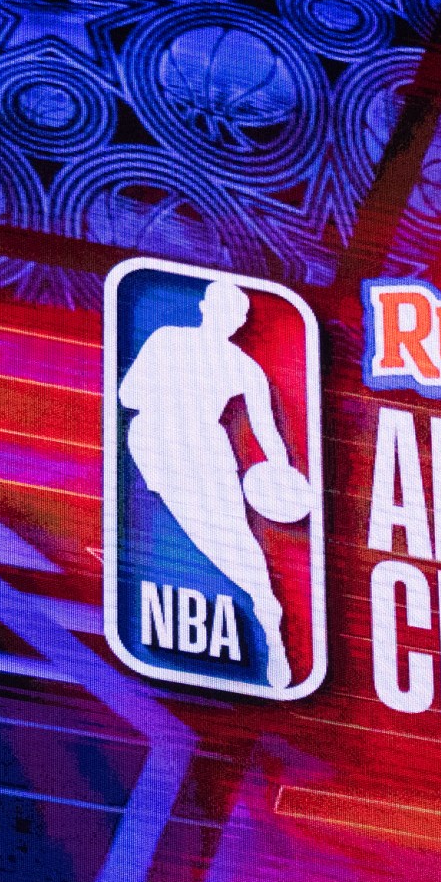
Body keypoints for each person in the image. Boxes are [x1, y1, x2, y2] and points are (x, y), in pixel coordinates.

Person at [119, 276, 300, 685]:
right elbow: (128, 396)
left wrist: (283, 474)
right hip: (159, 442)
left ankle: (269, 622)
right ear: (205, 308)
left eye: (237, 315)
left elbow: (267, 430)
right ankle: (263, 613)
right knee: (210, 538)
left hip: (206, 449)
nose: (231, 321)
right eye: (225, 310)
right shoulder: (168, 341)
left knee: (235, 540)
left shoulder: (245, 367)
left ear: (239, 322)